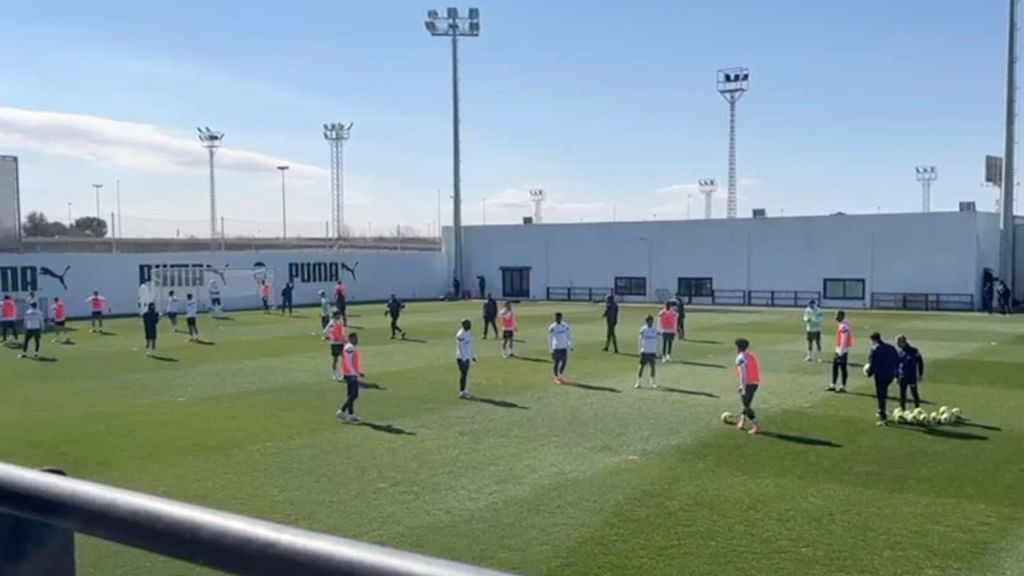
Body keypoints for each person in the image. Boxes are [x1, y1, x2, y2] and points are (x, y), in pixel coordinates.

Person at [865, 332, 898, 425]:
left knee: (881, 395)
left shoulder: (874, 349)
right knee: (884, 392)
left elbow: (872, 364)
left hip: (880, 375)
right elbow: (897, 360)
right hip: (890, 374)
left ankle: (883, 417)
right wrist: (896, 374)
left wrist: (869, 374)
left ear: (873, 340)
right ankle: (881, 412)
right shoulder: (891, 347)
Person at [734, 338, 763, 434]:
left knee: (746, 406)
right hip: (755, 382)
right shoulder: (750, 355)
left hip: (748, 383)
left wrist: (742, 386)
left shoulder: (740, 358)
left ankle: (757, 426)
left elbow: (743, 373)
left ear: (738, 347)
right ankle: (742, 422)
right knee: (746, 403)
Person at [336, 332, 365, 422]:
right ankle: (341, 411)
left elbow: (352, 362)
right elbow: (348, 362)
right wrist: (354, 373)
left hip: (350, 373)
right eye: (355, 338)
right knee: (354, 394)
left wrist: (358, 372)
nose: (357, 340)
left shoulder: (350, 347)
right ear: (351, 339)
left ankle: (351, 414)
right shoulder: (349, 348)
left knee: (350, 394)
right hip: (350, 374)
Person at [896, 335, 925, 411]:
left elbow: (920, 362)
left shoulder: (914, 351)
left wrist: (920, 374)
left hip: (912, 376)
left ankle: (918, 410)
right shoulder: (899, 352)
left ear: (903, 342)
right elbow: (896, 365)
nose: (897, 344)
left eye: (898, 342)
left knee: (914, 393)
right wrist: (896, 376)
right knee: (902, 394)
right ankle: (902, 410)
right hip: (902, 376)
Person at [828, 310, 853, 392]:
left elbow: (844, 339)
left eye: (837, 315)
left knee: (842, 368)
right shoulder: (842, 324)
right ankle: (833, 384)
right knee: (835, 367)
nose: (835, 317)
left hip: (842, 350)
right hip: (839, 349)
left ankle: (843, 386)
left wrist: (840, 352)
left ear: (842, 316)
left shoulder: (844, 326)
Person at [636, 315, 660, 389]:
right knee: (641, 367)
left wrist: (658, 351)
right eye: (648, 321)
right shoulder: (643, 329)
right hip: (644, 351)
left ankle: (652, 382)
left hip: (652, 351)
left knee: (652, 366)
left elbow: (659, 339)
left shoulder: (655, 329)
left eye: (650, 321)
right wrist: (639, 349)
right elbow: (640, 340)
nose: (649, 322)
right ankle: (638, 382)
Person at [548, 312, 573, 384]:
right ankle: (556, 377)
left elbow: (568, 335)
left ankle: (561, 375)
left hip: (563, 347)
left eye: (559, 317)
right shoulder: (552, 327)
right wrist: (551, 350)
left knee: (564, 362)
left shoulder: (565, 326)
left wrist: (570, 344)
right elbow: (550, 339)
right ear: (555, 318)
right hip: (556, 347)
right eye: (557, 317)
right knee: (556, 363)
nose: (558, 319)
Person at [456, 318, 476, 398]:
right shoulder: (460, 334)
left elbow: (469, 345)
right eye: (468, 324)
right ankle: (461, 392)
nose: (470, 326)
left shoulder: (468, 332)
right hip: (461, 358)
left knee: (465, 374)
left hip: (466, 357)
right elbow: (460, 347)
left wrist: (472, 356)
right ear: (464, 325)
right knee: (463, 374)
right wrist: (463, 359)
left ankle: (464, 389)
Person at [324, 311, 347, 380]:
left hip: (341, 343)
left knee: (344, 359)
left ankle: (344, 374)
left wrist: (343, 338)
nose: (339, 317)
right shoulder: (332, 323)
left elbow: (342, 331)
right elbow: (325, 331)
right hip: (334, 344)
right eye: (338, 316)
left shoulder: (340, 322)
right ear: (335, 316)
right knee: (335, 359)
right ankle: (334, 374)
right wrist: (331, 337)